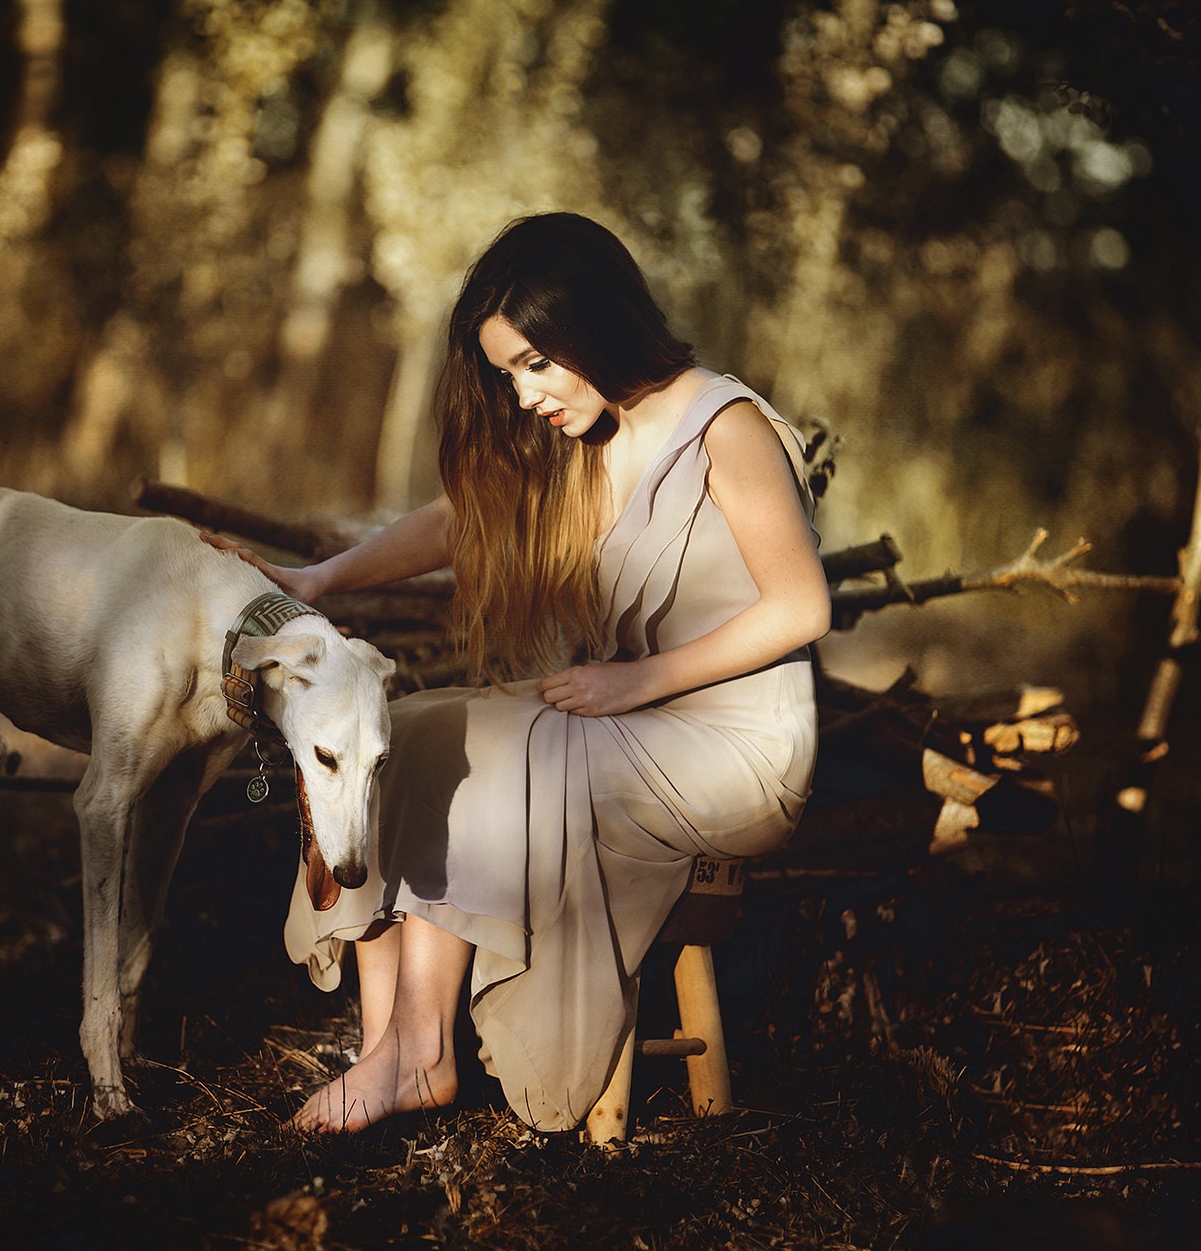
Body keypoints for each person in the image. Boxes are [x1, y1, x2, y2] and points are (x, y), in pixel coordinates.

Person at [215, 211, 830, 1133]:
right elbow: (462, 518)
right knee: (415, 728)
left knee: (489, 741)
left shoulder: (724, 425)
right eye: (507, 373)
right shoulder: (589, 434)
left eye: (536, 364)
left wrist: (638, 681)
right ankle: (389, 1048)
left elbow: (800, 607)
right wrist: (322, 578)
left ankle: (420, 1055)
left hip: (737, 746)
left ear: (597, 326)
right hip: (635, 725)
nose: (522, 395)